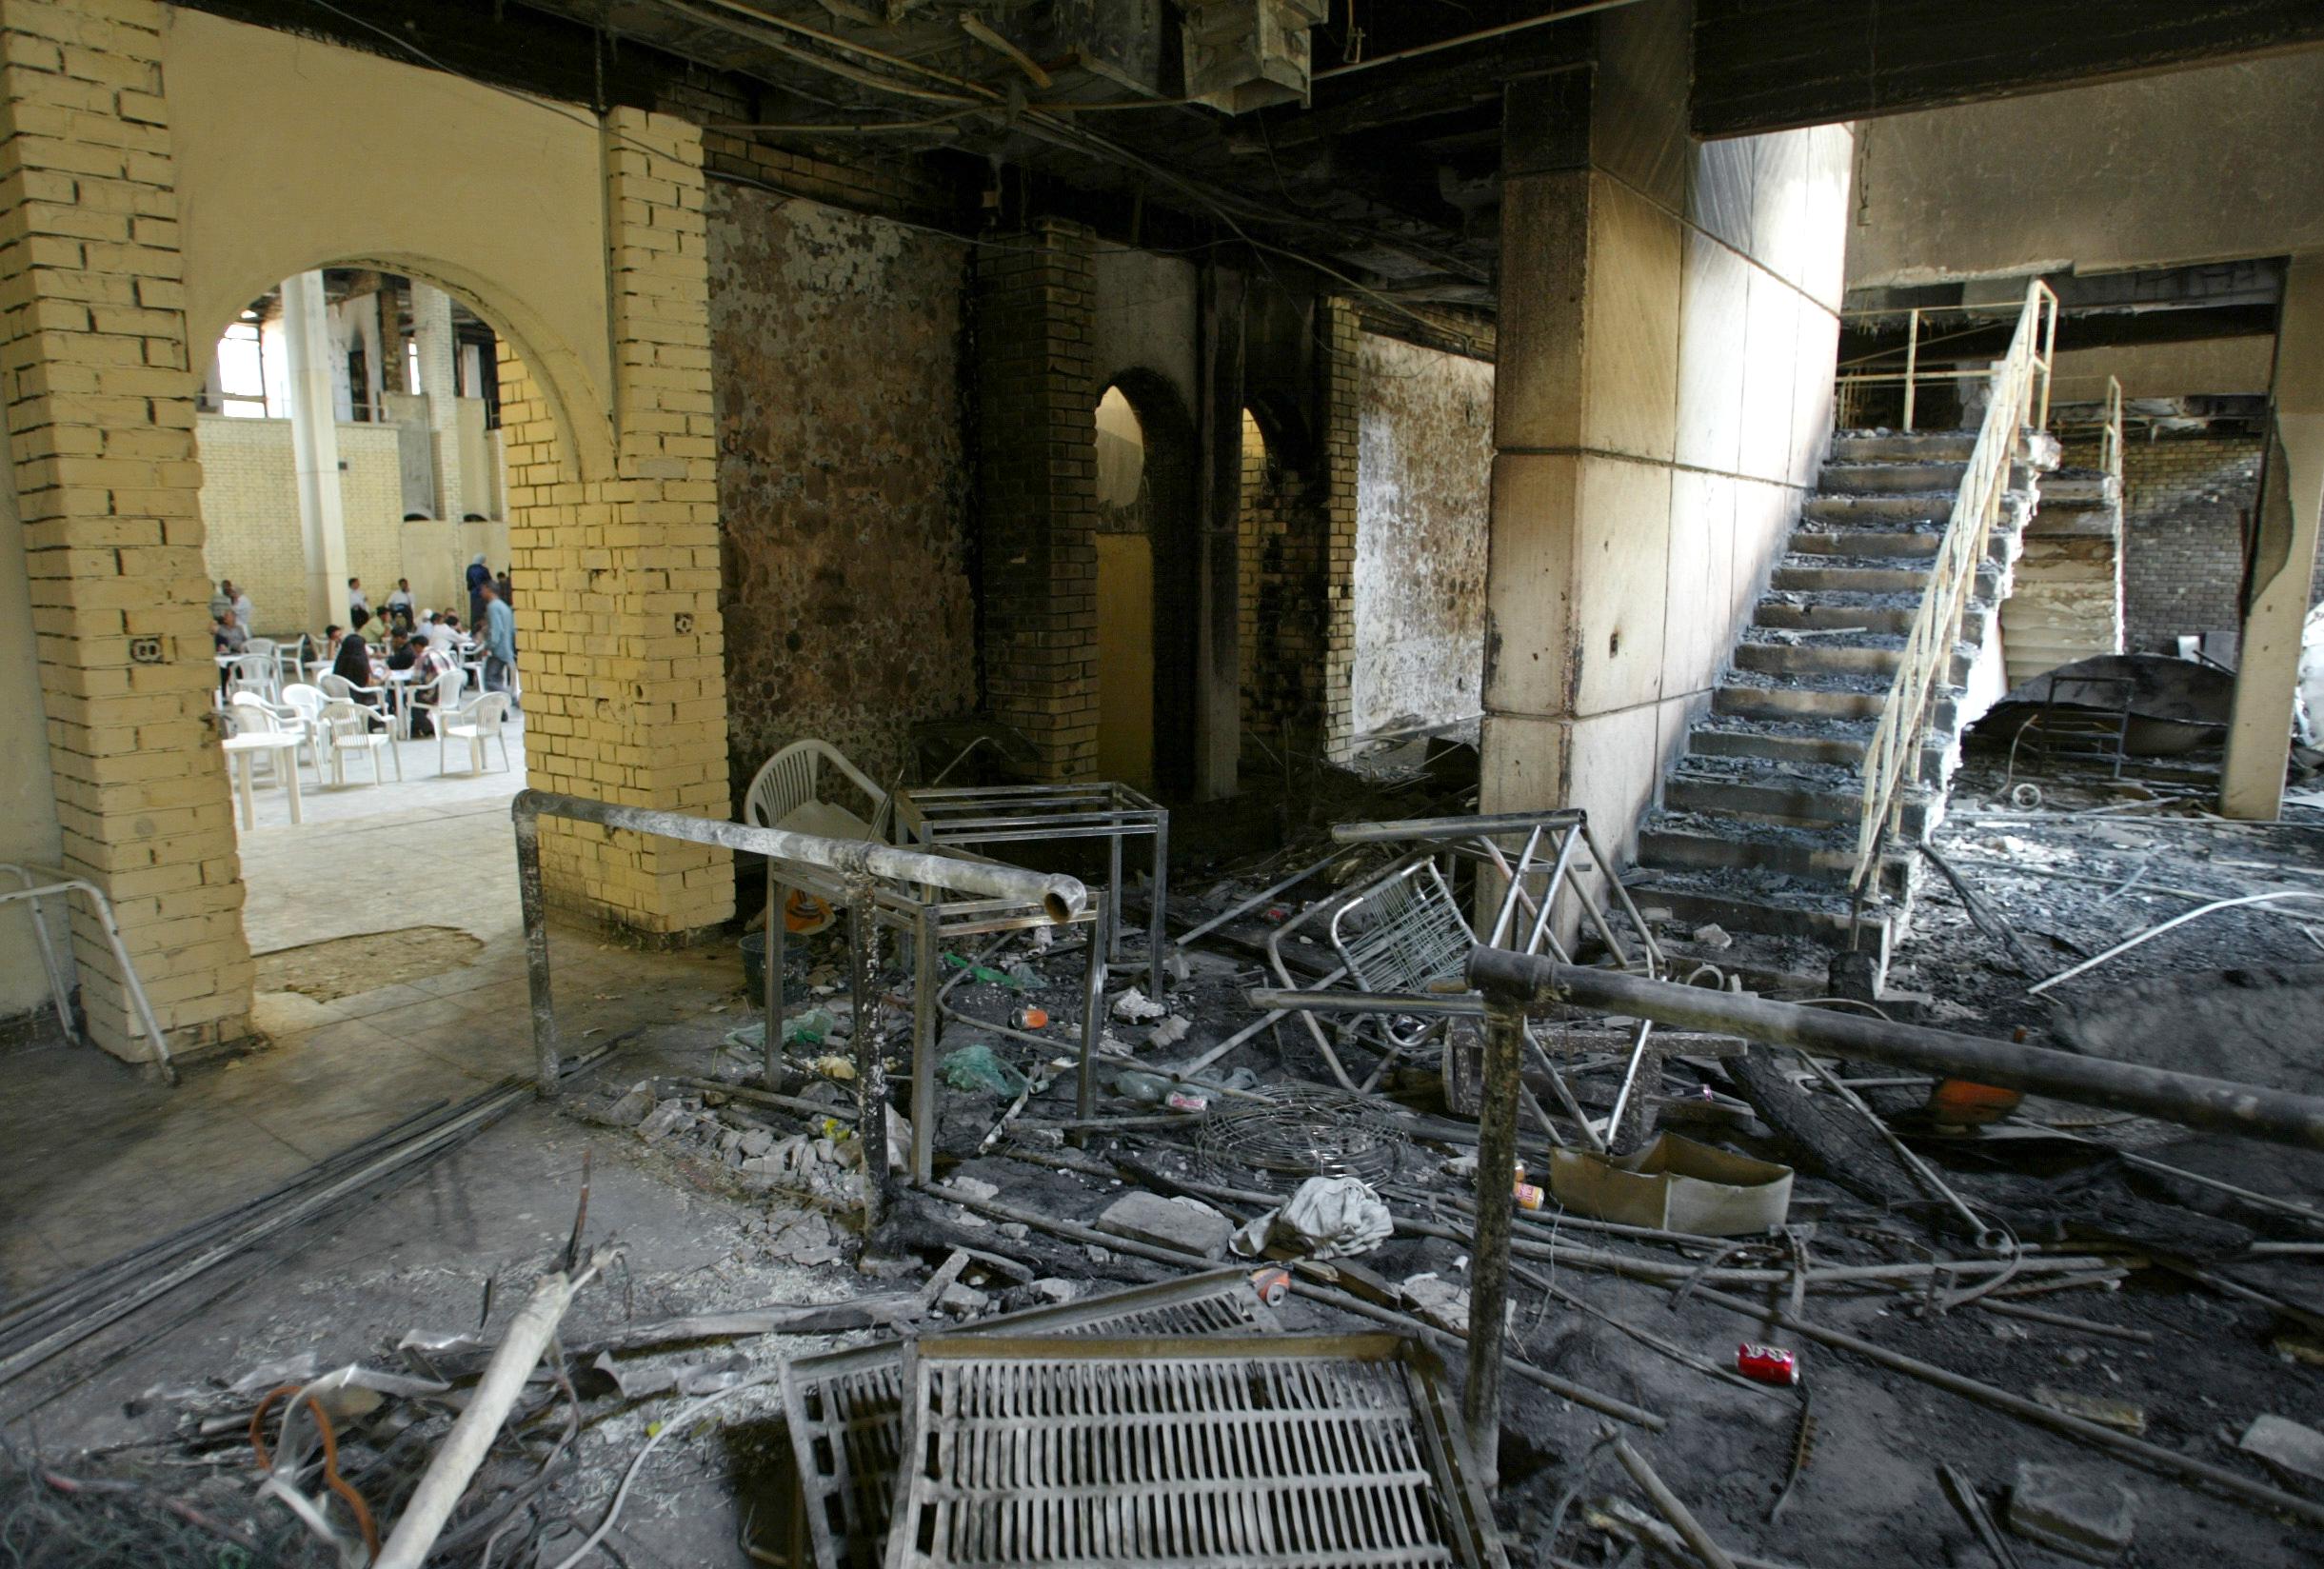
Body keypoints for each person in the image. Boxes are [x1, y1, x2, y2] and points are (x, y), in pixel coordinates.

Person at [480, 581, 517, 701]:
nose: (481, 592)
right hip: (507, 648)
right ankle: (502, 710)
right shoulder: (504, 606)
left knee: (490, 680)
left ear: (489, 590)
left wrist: (488, 646)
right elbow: (511, 630)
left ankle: (512, 698)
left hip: (498, 650)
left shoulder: (492, 606)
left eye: (483, 589)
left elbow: (496, 629)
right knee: (498, 679)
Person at [467, 553, 490, 629]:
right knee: (483, 613)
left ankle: (474, 629)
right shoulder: (483, 570)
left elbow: (468, 581)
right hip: (483, 594)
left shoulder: (469, 569)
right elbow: (488, 581)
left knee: (474, 612)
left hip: (473, 594)